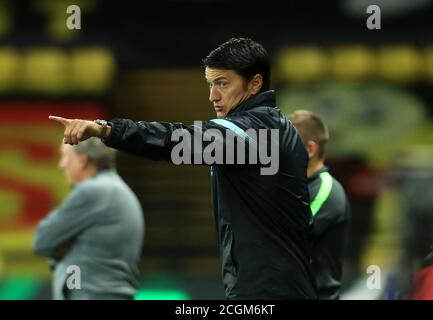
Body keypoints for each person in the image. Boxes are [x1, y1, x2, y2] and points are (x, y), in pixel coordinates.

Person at [48, 38, 317, 299]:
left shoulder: (252, 132)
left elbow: (174, 140)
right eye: (210, 84)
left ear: (255, 83)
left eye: (222, 83)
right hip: (280, 284)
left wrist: (106, 129)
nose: (213, 95)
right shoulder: (276, 129)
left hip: (268, 290)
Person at [32, 137, 145, 300]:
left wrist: (64, 245)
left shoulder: (93, 192)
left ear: (82, 161)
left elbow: (42, 239)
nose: (61, 165)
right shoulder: (117, 190)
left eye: (65, 157)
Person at [289, 110, 351, 299]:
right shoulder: (293, 186)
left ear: (309, 149)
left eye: (285, 143)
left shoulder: (326, 190)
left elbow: (284, 239)